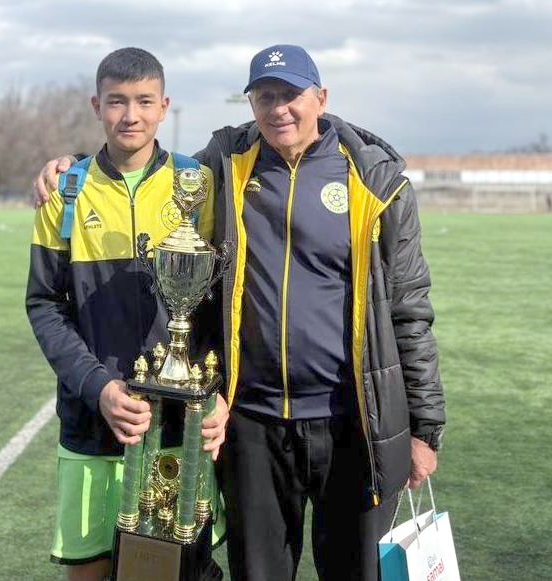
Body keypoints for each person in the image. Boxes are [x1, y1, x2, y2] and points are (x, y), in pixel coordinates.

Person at [33, 44, 446, 581]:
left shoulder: (374, 180)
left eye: (291, 94)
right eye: (265, 96)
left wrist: (425, 428)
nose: (279, 108)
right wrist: (69, 166)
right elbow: (134, 159)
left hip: (349, 419)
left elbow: (410, 309)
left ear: (320, 98)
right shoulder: (224, 167)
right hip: (251, 422)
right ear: (251, 104)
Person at [25, 47, 229, 581]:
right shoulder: (65, 191)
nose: (130, 115)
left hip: (180, 424)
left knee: (175, 568)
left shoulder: (199, 184)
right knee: (89, 570)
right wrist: (98, 388)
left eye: (144, 101)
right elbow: (44, 304)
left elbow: (222, 305)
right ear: (97, 106)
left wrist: (218, 390)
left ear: (164, 106)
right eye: (117, 101)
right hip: (93, 419)